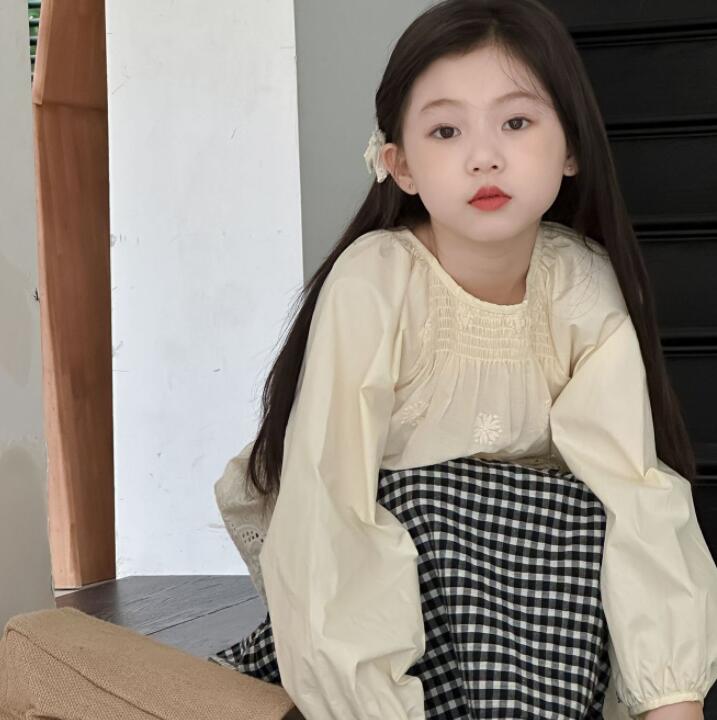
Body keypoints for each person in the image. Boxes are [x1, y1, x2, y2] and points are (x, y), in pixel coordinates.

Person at [208, 1, 717, 719]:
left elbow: (633, 491)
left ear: (570, 149)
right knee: (429, 500)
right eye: (446, 131)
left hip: (534, 618)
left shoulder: (578, 283)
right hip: (391, 612)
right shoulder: (377, 281)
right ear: (400, 165)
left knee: (586, 510)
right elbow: (330, 506)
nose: (484, 156)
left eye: (516, 122)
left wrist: (672, 699)